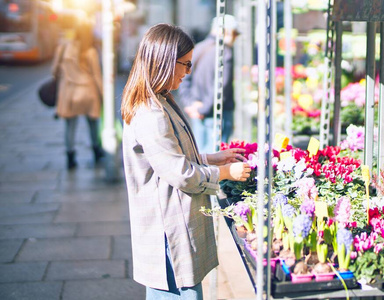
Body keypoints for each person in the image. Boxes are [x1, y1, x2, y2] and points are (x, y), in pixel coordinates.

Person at [120, 23, 251, 299]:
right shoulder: (151, 112)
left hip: (171, 223)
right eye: (186, 65)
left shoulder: (159, 100)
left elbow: (168, 159)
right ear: (166, 62)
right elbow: (181, 174)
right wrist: (225, 172)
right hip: (168, 232)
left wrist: (211, 159)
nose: (187, 72)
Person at [180, 14, 240, 153]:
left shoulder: (198, 49)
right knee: (216, 158)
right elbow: (221, 87)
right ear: (227, 32)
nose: (235, 38)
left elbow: (184, 78)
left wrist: (190, 104)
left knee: (201, 155)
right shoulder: (225, 52)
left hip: (197, 110)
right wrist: (204, 109)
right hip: (217, 113)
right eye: (235, 34)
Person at [53, 22, 103, 169]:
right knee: (93, 123)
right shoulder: (90, 51)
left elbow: (54, 71)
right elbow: (97, 76)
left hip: (69, 92)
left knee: (70, 125)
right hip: (88, 91)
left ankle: (70, 157)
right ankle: (96, 152)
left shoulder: (63, 49)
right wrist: (103, 95)